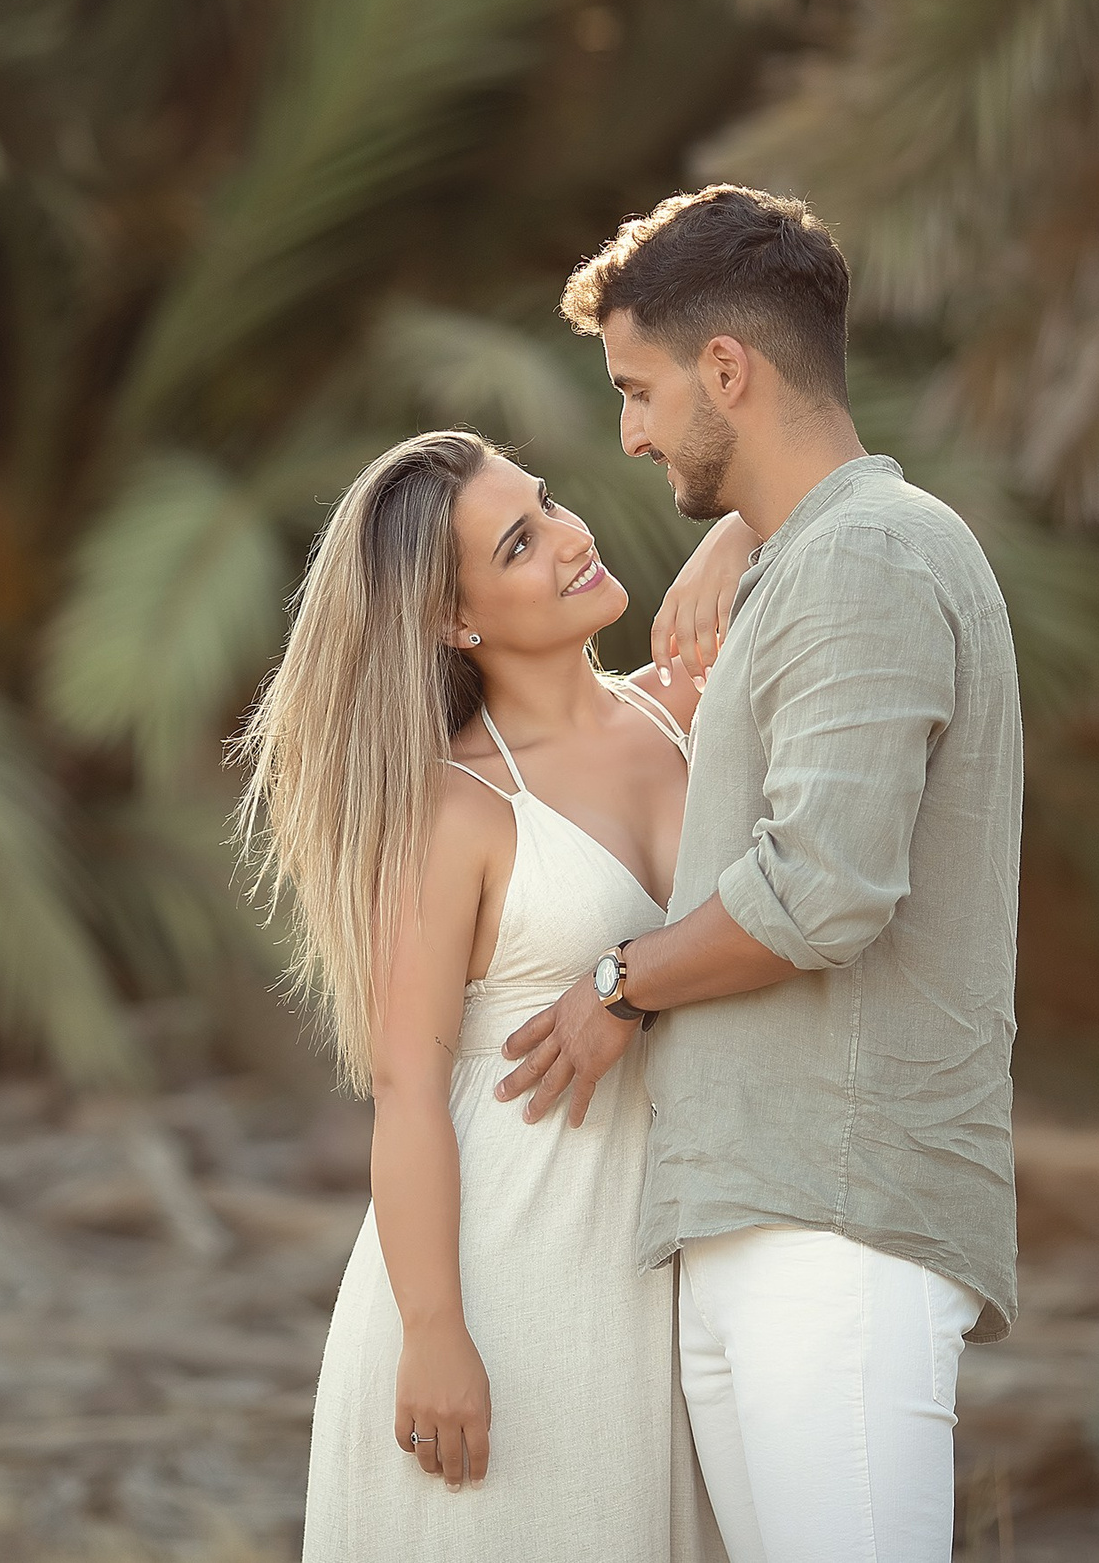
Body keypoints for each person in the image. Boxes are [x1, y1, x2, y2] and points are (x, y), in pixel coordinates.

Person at [498, 183, 1026, 1563]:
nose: (630, 432)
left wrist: (617, 985)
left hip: (838, 1226)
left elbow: (826, 889)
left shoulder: (868, 557)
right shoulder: (824, 553)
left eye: (640, 389)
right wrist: (748, 529)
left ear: (727, 366)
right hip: (763, 1213)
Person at [238, 428, 738, 1561]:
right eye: (520, 543)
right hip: (507, 1277)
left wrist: (732, 538)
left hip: (672, 1264)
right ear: (454, 618)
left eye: (549, 503)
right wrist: (434, 1334)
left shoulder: (693, 706)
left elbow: (821, 500)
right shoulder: (451, 807)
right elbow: (406, 1088)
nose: (569, 537)